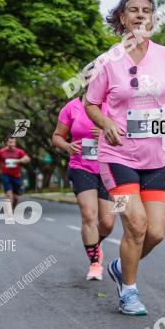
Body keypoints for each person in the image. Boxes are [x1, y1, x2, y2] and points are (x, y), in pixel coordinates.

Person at [84, 0, 165, 315]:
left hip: (155, 158)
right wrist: (106, 123)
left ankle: (119, 267)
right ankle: (129, 291)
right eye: (133, 10)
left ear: (154, 18)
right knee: (136, 224)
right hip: (116, 159)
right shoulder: (107, 62)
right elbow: (91, 104)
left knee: (155, 233)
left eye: (147, 10)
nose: (141, 15)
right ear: (122, 18)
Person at [52, 96, 115, 280]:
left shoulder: (113, 103)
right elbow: (57, 136)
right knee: (89, 215)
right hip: (81, 167)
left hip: (110, 168)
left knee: (108, 223)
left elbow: (128, 133)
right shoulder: (72, 107)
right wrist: (67, 146)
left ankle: (95, 243)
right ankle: (95, 264)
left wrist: (105, 134)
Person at [0, 137, 30, 214]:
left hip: (16, 176)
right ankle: (9, 212)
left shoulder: (19, 151)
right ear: (6, 143)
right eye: (10, 142)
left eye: (13, 142)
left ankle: (13, 208)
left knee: (16, 197)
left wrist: (19, 160)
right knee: (9, 193)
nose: (12, 144)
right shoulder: (2, 152)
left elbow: (27, 159)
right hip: (5, 175)